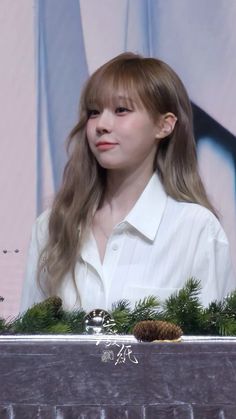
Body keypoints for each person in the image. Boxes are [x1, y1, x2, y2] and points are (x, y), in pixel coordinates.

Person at [20, 52, 235, 313]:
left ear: (164, 125)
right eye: (94, 112)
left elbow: (212, 349)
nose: (102, 125)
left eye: (121, 110)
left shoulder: (196, 230)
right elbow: (29, 347)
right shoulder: (52, 226)